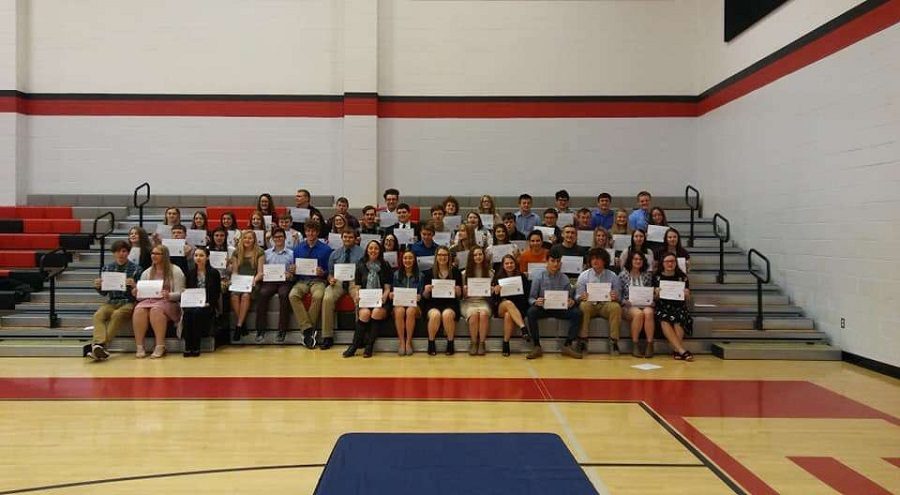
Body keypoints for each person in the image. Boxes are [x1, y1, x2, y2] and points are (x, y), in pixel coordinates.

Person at [87, 241, 142, 361]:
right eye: (118, 251)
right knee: (98, 315)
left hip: (128, 301)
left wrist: (134, 286)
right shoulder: (107, 268)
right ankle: (99, 345)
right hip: (112, 301)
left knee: (117, 314)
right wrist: (98, 286)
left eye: (123, 251)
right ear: (113, 253)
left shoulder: (136, 269)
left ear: (128, 253)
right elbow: (104, 293)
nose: (121, 254)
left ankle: (100, 345)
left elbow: (140, 293)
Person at [131, 244, 185, 359]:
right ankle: (139, 346)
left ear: (164, 255)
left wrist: (169, 295)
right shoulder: (147, 272)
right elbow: (141, 297)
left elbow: (181, 293)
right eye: (152, 253)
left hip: (169, 302)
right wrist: (137, 292)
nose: (153, 256)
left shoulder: (175, 271)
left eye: (157, 254)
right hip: (148, 300)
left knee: (156, 309)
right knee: (139, 309)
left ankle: (160, 345)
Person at [525, 252, 580, 360]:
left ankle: (567, 345)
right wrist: (536, 302)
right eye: (552, 261)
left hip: (559, 308)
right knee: (531, 312)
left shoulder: (564, 278)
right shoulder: (539, 277)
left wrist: (571, 301)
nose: (555, 264)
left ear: (560, 263)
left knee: (577, 313)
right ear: (547, 262)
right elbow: (531, 298)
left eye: (558, 261)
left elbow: (570, 298)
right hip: (544, 308)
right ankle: (537, 346)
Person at [343, 240, 392, 358]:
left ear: (380, 250)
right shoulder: (361, 264)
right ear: (367, 250)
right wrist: (357, 295)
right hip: (366, 299)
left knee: (376, 312)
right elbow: (358, 286)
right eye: (371, 248)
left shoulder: (385, 265)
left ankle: (369, 346)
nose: (373, 251)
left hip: (381, 300)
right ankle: (354, 346)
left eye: (376, 248)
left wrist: (385, 296)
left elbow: (387, 287)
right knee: (364, 313)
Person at [289, 220, 332, 348]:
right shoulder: (297, 249)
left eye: (313, 231)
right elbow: (294, 270)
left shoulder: (326, 249)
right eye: (308, 231)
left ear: (317, 232)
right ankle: (308, 329)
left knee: (318, 296)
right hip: (302, 280)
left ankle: (307, 332)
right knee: (292, 295)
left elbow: (329, 271)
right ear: (305, 232)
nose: (310, 233)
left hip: (318, 281)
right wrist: (293, 270)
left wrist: (322, 272)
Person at [575, 248, 623, 358]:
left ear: (604, 261)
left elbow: (619, 297)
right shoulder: (584, 276)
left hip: (605, 305)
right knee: (583, 305)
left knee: (616, 307)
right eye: (592, 259)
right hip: (590, 304)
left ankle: (614, 342)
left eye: (598, 259)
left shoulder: (612, 276)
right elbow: (577, 296)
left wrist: (615, 297)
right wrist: (582, 296)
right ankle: (583, 340)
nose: (595, 261)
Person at [323, 228, 364, 350]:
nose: (347, 239)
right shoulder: (335, 253)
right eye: (345, 237)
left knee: (359, 298)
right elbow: (329, 273)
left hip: (354, 281)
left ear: (355, 239)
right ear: (341, 238)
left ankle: (359, 337)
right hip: (338, 281)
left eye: (350, 237)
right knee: (327, 298)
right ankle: (327, 336)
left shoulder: (362, 253)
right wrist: (330, 279)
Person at [255, 228, 295, 343]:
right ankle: (260, 330)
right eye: (276, 237)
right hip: (270, 281)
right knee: (262, 294)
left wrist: (290, 274)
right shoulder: (266, 253)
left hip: (285, 281)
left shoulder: (291, 253)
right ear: (272, 239)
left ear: (285, 238)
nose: (278, 239)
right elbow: (261, 270)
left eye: (281, 237)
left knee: (284, 295)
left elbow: (294, 271)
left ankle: (282, 330)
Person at [422, 246, 463, 356]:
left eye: (445, 255)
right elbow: (425, 296)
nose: (442, 257)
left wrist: (458, 291)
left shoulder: (455, 272)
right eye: (440, 255)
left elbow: (460, 295)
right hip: (433, 303)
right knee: (435, 315)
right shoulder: (429, 273)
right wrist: (426, 291)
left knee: (447, 315)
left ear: (449, 257)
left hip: (451, 303)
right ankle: (431, 342)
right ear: (436, 257)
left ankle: (450, 342)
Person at [182, 246, 221, 357]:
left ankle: (196, 346)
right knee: (188, 313)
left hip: (208, 304)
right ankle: (188, 346)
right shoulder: (190, 273)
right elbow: (188, 290)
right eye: (196, 255)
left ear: (207, 257)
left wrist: (209, 303)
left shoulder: (214, 273)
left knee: (197, 313)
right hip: (193, 302)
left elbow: (216, 293)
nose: (198, 258)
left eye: (201, 255)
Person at [654, 253, 694, 361]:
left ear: (676, 263)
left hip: (679, 306)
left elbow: (688, 299)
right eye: (667, 261)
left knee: (679, 318)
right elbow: (654, 299)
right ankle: (682, 350)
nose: (670, 264)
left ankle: (677, 350)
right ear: (663, 263)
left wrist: (687, 294)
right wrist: (656, 294)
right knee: (664, 319)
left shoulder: (682, 277)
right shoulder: (656, 277)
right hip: (663, 307)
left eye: (672, 261)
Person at [491, 254, 529, 356]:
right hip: (501, 307)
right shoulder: (497, 277)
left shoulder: (521, 277)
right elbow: (494, 299)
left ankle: (506, 343)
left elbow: (526, 296)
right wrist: (496, 292)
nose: (509, 265)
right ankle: (523, 328)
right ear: (503, 265)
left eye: (511, 263)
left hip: (517, 308)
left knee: (509, 315)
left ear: (515, 264)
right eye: (506, 263)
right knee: (508, 303)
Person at [619, 251, 655, 358]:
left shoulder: (647, 275)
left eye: (640, 259)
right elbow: (618, 294)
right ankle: (635, 344)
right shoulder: (623, 275)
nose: (638, 261)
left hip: (644, 305)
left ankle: (650, 344)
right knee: (638, 314)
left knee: (648, 312)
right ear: (630, 261)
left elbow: (650, 291)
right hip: (628, 306)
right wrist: (624, 301)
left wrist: (651, 300)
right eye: (635, 259)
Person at [229, 230, 264, 340]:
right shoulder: (236, 252)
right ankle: (242, 323)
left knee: (245, 296)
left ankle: (238, 326)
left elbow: (260, 272)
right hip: (239, 281)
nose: (247, 240)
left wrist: (255, 280)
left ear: (254, 240)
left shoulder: (259, 252)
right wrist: (234, 280)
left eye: (250, 238)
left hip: (253, 282)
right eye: (245, 238)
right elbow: (235, 271)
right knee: (234, 295)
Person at [462, 246, 493, 356]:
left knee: (483, 314)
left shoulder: (490, 273)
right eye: (475, 255)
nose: (478, 257)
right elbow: (462, 296)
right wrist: (464, 291)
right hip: (468, 302)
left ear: (484, 256)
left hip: (483, 301)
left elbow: (490, 295)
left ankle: (482, 343)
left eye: (480, 254)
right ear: (471, 257)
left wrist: (492, 290)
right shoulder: (464, 273)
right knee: (474, 314)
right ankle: (474, 342)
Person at [391, 250, 423, 356]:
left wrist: (420, 296)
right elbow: (393, 291)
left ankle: (408, 342)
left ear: (414, 260)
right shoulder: (396, 275)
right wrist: (392, 295)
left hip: (414, 306)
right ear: (402, 260)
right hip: (399, 304)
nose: (407, 260)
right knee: (400, 310)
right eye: (405, 258)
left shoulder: (421, 276)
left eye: (410, 258)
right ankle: (402, 342)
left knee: (410, 310)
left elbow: (422, 294)